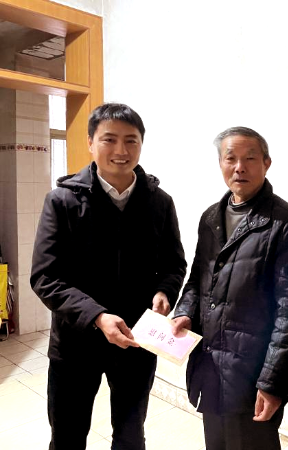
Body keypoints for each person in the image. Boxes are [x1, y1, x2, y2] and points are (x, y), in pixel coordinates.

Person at [30, 103, 187, 450]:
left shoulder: (159, 202)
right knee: (67, 436)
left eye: (131, 140)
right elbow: (45, 276)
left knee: (130, 435)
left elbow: (174, 264)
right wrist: (98, 317)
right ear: (90, 142)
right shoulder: (62, 201)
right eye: (109, 139)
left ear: (141, 144)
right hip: (75, 343)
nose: (121, 150)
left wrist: (164, 290)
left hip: (136, 341)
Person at [171, 126, 288, 450]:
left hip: (252, 375)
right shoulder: (211, 217)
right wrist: (185, 313)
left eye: (249, 158)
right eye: (230, 158)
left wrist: (272, 382)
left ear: (266, 163)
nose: (239, 167)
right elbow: (198, 279)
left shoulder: (287, 224)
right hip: (210, 367)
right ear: (220, 164)